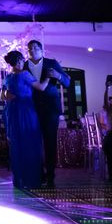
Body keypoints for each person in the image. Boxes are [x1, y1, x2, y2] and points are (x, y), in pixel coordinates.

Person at [1, 50, 50, 189]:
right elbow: (41, 87)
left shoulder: (8, 77)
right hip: (26, 111)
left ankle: (19, 180)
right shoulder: (24, 74)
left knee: (16, 145)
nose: (23, 63)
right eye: (22, 60)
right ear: (18, 62)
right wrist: (48, 77)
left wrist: (10, 95)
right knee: (30, 143)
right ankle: (32, 179)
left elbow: (2, 96)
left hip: (12, 111)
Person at [24, 40, 70, 188]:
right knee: (34, 143)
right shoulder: (24, 66)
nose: (32, 50)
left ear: (41, 49)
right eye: (30, 48)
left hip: (50, 109)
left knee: (50, 142)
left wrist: (58, 75)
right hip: (31, 109)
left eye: (35, 47)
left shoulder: (52, 63)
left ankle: (50, 176)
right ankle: (38, 175)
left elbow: (68, 83)